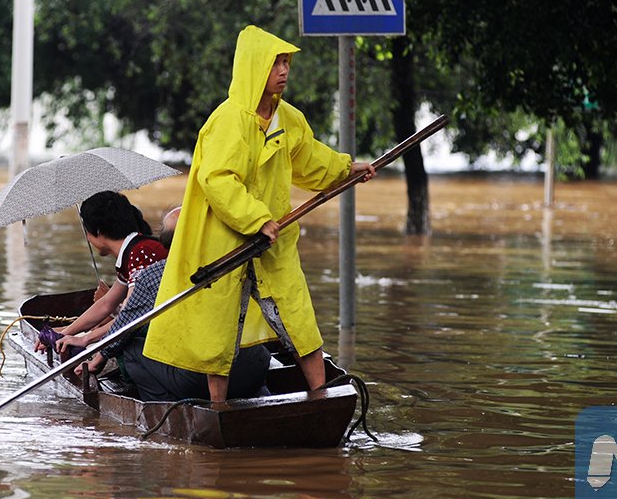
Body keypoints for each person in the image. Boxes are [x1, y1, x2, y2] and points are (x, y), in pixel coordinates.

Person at [142, 24, 375, 403]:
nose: (284, 70)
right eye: (275, 63)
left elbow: (311, 159)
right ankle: (217, 409)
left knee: (297, 315)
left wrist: (348, 168)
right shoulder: (228, 121)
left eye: (286, 62)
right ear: (254, 68)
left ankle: (321, 397)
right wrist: (255, 219)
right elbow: (217, 179)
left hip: (275, 238)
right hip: (226, 241)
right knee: (219, 327)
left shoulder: (288, 118)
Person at [78, 207, 270, 401]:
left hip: (200, 377)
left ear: (167, 243)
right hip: (257, 368)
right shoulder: (239, 262)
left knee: (131, 349)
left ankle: (163, 408)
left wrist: (99, 357)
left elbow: (125, 328)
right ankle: (260, 394)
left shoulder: (155, 273)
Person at [33, 190, 166, 355]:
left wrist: (85, 338)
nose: (88, 238)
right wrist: (66, 331)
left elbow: (130, 317)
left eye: (87, 231)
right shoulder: (134, 250)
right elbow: (106, 304)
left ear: (97, 231)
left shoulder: (142, 252)